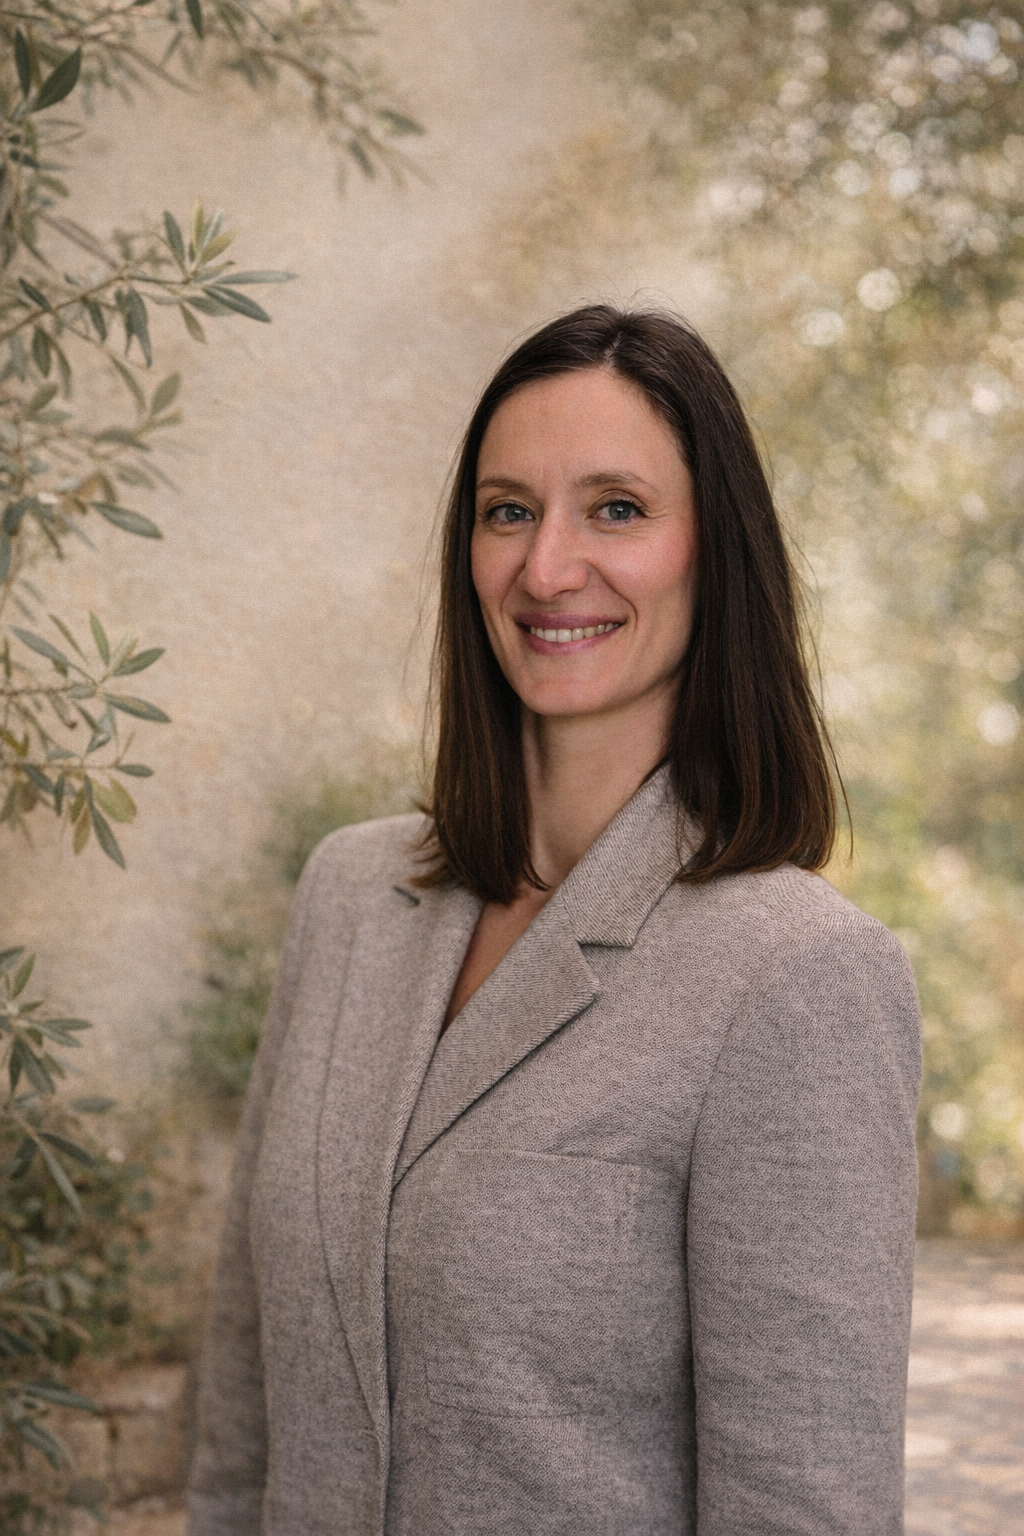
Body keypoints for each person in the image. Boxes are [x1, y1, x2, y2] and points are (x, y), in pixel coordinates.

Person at [187, 306, 921, 1536]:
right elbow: (241, 1408)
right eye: (508, 510)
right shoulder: (349, 898)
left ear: (713, 551)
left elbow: (803, 1508)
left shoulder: (797, 977)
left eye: (617, 509)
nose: (545, 568)